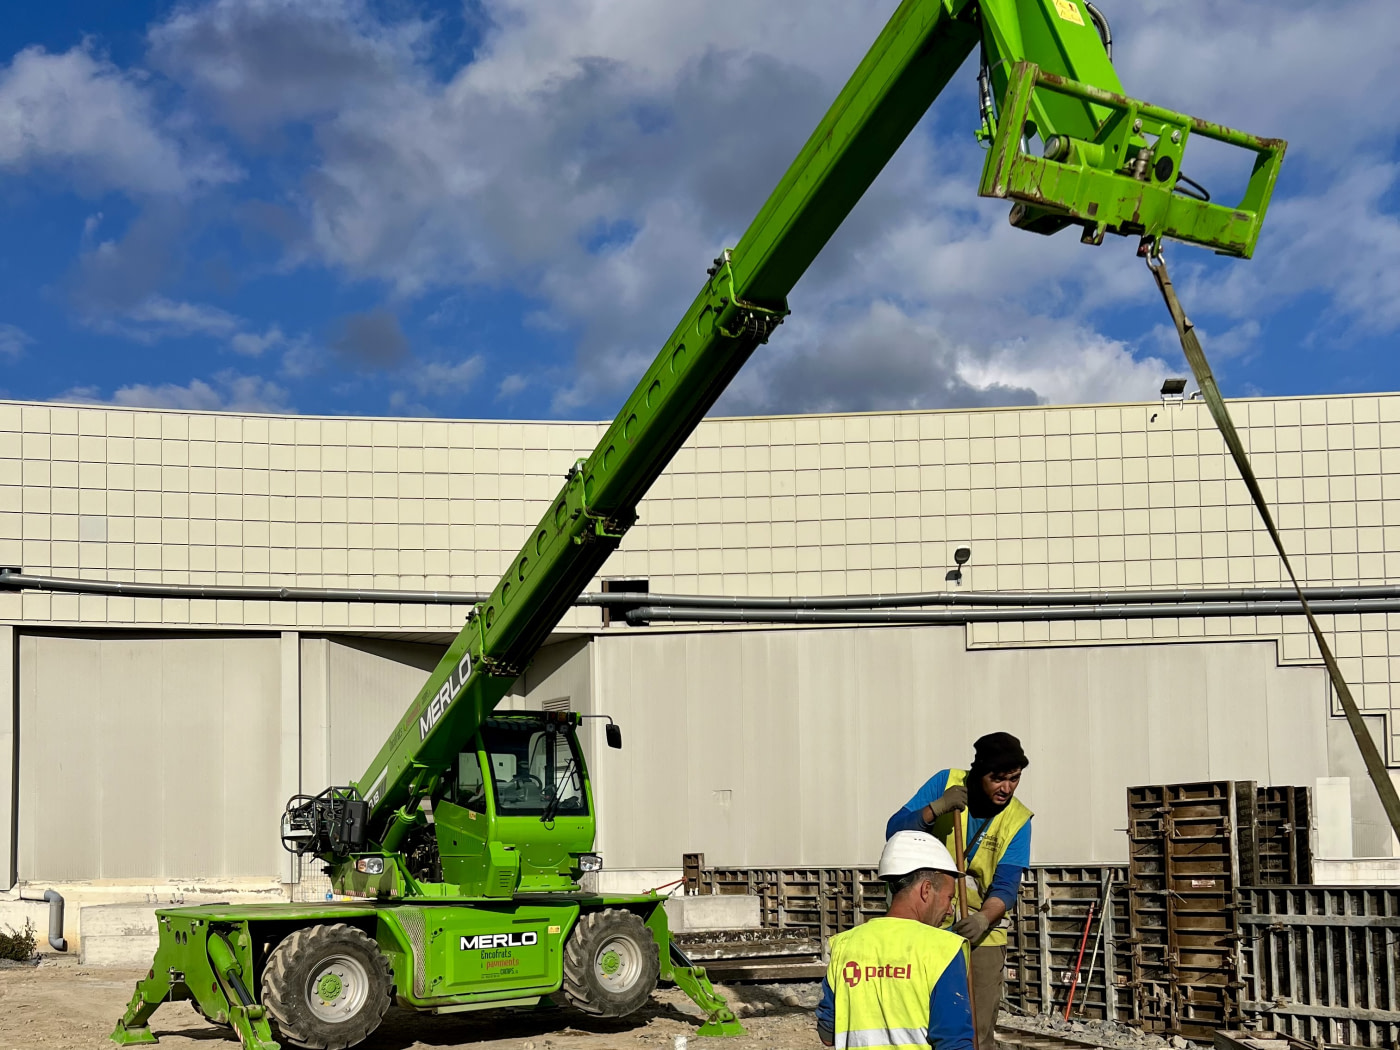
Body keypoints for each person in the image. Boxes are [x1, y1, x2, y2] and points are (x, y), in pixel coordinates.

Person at [885, 732, 1032, 1050]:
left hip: (981, 934)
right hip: (925, 923)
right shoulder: (946, 783)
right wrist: (934, 809)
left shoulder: (1018, 820)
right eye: (998, 779)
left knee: (975, 1030)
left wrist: (983, 919)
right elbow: (894, 830)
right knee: (917, 1019)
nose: (1006, 788)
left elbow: (1006, 887)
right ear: (980, 773)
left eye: (1015, 779)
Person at [815, 831, 974, 1050]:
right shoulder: (943, 949)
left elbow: (827, 1034)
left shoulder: (845, 945)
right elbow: (954, 1042)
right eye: (948, 898)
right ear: (926, 889)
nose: (949, 910)